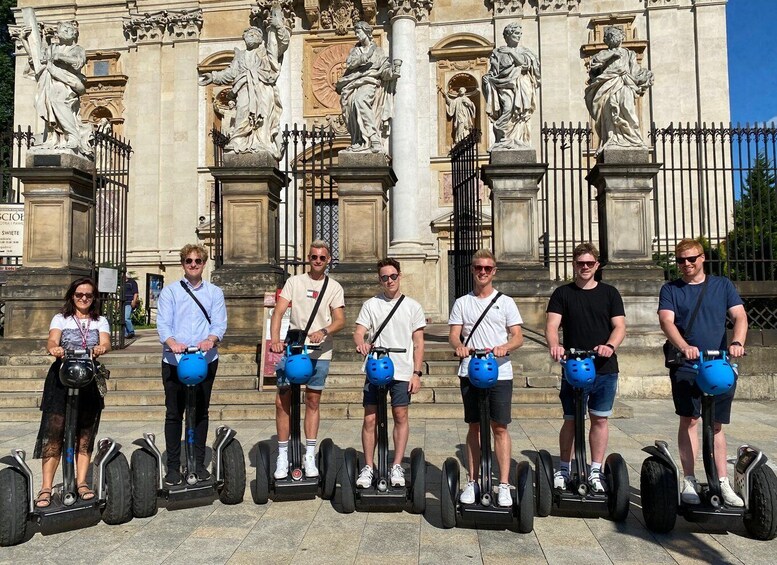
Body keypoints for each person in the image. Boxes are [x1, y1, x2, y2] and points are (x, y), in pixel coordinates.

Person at [658, 238, 747, 507]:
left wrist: (737, 342)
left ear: (702, 258)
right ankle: (689, 479)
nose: (686, 264)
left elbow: (740, 316)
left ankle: (721, 480)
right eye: (681, 260)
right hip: (686, 363)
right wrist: (684, 347)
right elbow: (666, 320)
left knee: (717, 424)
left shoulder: (722, 285)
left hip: (718, 364)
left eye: (692, 259)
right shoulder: (671, 289)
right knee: (690, 420)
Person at [544, 243, 626, 493]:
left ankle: (595, 470)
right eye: (581, 263)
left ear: (597, 265)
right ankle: (565, 467)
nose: (585, 267)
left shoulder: (610, 293)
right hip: (574, 366)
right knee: (571, 419)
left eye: (590, 263)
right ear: (574, 265)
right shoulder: (562, 294)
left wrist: (610, 345)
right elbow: (551, 326)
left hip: (604, 366)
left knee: (599, 419)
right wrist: (555, 346)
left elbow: (620, 327)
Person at [448, 249, 524, 507]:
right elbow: (454, 334)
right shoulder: (462, 302)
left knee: (500, 427)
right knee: (474, 427)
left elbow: (517, 336)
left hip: (500, 371)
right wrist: (459, 346)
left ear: (494, 271)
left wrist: (506, 347)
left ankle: (503, 484)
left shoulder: (507, 301)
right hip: (471, 370)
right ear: (472, 270)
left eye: (487, 268)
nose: (482, 272)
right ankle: (473, 480)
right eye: (478, 267)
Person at [270, 240, 345, 478]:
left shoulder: (334, 287)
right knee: (283, 399)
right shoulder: (294, 282)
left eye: (322, 258)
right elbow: (279, 311)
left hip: (319, 351)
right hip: (293, 349)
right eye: (314, 257)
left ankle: (309, 454)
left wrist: (323, 331)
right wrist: (275, 339)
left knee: (313, 400)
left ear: (328, 259)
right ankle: (282, 455)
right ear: (308, 258)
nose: (318, 261)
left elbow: (340, 320)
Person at [33, 277, 110, 507]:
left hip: (88, 376)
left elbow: (105, 342)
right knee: (54, 431)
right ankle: (46, 487)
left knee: (84, 433)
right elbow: (52, 339)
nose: (84, 298)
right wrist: (54, 348)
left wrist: (101, 348)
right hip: (62, 376)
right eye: (79, 295)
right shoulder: (61, 318)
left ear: (94, 298)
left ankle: (82, 482)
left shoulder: (100, 321)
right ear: (72, 296)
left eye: (88, 295)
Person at [157, 244, 227, 485]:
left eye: (198, 261)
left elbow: (219, 323)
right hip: (175, 360)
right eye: (189, 261)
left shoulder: (214, 292)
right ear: (182, 263)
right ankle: (174, 467)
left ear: (204, 263)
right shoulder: (170, 292)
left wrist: (211, 339)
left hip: (204, 359)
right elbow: (164, 324)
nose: (194, 265)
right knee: (174, 413)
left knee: (200, 412)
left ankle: (197, 462)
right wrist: (172, 342)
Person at [353, 258, 426, 488]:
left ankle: (396, 465)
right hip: (376, 369)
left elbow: (419, 342)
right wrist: (362, 343)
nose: (389, 281)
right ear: (380, 280)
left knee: (400, 415)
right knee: (370, 417)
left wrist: (416, 373)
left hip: (402, 370)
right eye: (384, 277)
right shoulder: (371, 304)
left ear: (399, 276)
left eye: (393, 276)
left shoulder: (412, 306)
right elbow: (359, 332)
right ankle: (368, 465)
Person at [199, 9, 290, 158]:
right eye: (248, 34)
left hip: (262, 89)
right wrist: (213, 76)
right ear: (244, 38)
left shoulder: (266, 53)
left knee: (264, 118)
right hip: (244, 90)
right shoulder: (240, 56)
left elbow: (282, 44)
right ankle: (239, 141)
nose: (251, 36)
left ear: (261, 39)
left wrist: (279, 26)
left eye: (255, 34)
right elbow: (230, 73)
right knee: (242, 113)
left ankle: (262, 143)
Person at [20, 20, 92, 155]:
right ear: (58, 34)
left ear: (75, 34)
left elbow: (78, 62)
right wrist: (24, 40)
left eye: (69, 29)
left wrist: (60, 56)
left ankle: (73, 137)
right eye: (63, 29)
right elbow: (35, 60)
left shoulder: (77, 49)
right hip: (49, 82)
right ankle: (53, 139)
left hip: (66, 84)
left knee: (59, 103)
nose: (67, 31)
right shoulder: (51, 48)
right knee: (48, 107)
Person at [584, 25, 654, 155]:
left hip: (624, 84)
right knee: (609, 111)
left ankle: (631, 136)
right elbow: (594, 67)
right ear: (606, 40)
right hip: (607, 85)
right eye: (609, 35)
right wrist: (610, 55)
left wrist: (644, 75)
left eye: (615, 34)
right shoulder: (602, 54)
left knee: (626, 107)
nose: (612, 37)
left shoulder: (629, 53)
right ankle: (612, 138)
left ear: (622, 37)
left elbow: (635, 71)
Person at [335, 21, 401, 153]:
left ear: (367, 32)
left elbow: (384, 71)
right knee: (351, 105)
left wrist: (393, 72)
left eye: (359, 32)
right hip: (354, 83)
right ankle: (359, 140)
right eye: (356, 33)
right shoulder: (356, 50)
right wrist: (364, 57)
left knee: (360, 101)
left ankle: (373, 138)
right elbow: (350, 64)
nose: (357, 35)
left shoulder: (378, 51)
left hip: (370, 82)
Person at [481, 22, 540, 150]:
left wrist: (511, 53)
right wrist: (487, 78)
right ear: (508, 35)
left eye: (520, 34)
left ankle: (517, 140)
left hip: (521, 84)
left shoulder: (525, 51)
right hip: (504, 85)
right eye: (516, 33)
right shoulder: (498, 53)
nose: (519, 36)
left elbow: (525, 64)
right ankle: (502, 135)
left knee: (520, 112)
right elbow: (494, 71)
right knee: (508, 107)